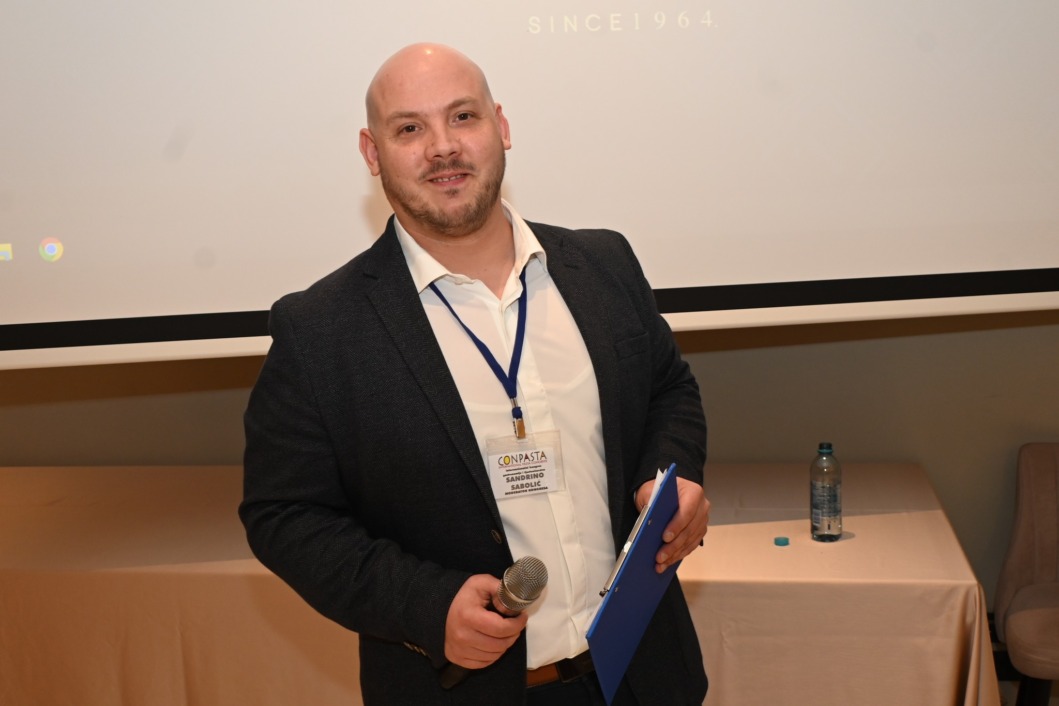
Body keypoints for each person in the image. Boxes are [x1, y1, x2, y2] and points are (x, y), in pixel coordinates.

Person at [239, 43, 710, 706]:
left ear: (501, 126)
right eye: (409, 128)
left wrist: (670, 477)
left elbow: (668, 390)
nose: (443, 147)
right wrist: (424, 605)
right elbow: (283, 514)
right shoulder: (319, 329)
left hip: (643, 676)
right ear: (372, 154)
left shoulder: (603, 263)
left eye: (463, 117)